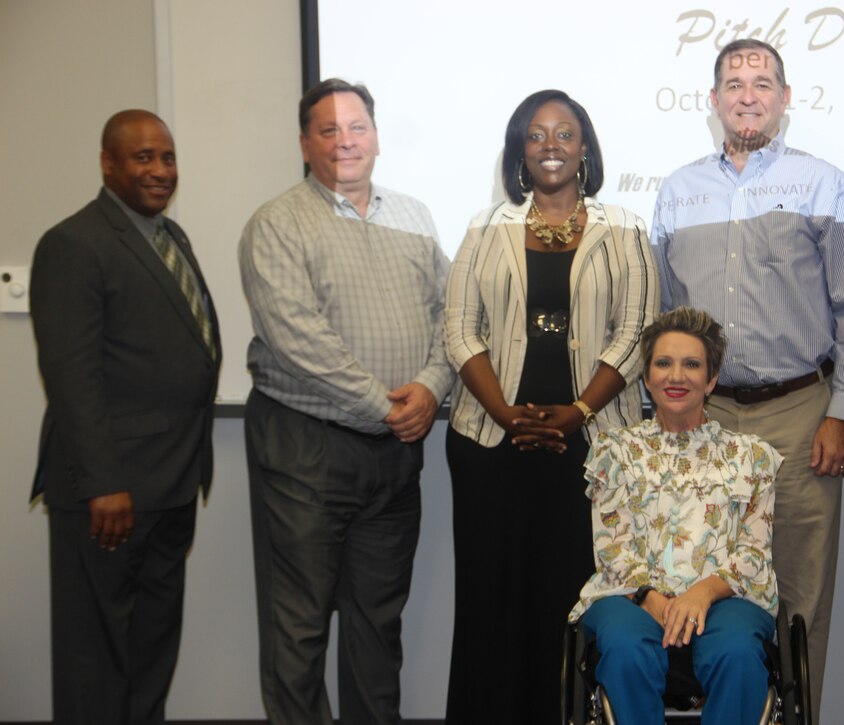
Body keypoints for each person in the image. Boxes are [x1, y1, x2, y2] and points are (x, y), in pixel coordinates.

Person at [650, 38, 844, 722]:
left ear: (784, 98)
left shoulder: (824, 182)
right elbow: (664, 319)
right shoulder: (677, 191)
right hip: (705, 421)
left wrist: (841, 411)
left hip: (801, 416)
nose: (748, 94)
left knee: (800, 595)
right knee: (707, 590)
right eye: (734, 83)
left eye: (763, 82)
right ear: (713, 101)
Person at [238, 79, 454, 725]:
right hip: (307, 447)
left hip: (395, 456)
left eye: (355, 127)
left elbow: (452, 319)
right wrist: (384, 404)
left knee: (377, 624)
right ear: (305, 144)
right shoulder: (276, 224)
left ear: (377, 138)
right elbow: (297, 336)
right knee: (299, 628)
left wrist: (432, 387)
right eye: (327, 130)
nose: (344, 141)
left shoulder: (415, 217)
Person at [443, 89, 658, 723]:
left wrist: (578, 412)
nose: (551, 147)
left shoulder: (625, 227)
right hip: (491, 444)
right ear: (519, 151)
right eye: (536, 135)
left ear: (585, 147)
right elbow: (460, 330)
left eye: (564, 134)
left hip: (593, 451)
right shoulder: (485, 228)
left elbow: (638, 329)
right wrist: (507, 413)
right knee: (494, 599)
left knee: (578, 596)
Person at [29, 109, 220, 724]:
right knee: (96, 658)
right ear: (108, 164)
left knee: (150, 649)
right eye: (143, 158)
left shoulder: (170, 237)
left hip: (168, 485)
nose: (160, 171)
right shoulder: (73, 243)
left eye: (167, 157)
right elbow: (71, 376)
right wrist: (104, 483)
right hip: (111, 496)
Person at [571, 306, 781, 725]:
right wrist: (653, 599)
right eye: (663, 363)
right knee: (627, 648)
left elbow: (753, 553)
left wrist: (700, 594)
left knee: (738, 652)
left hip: (727, 596)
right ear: (646, 378)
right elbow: (612, 550)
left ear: (712, 378)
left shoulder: (751, 455)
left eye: (692, 365)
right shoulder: (616, 452)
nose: (676, 376)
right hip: (630, 594)